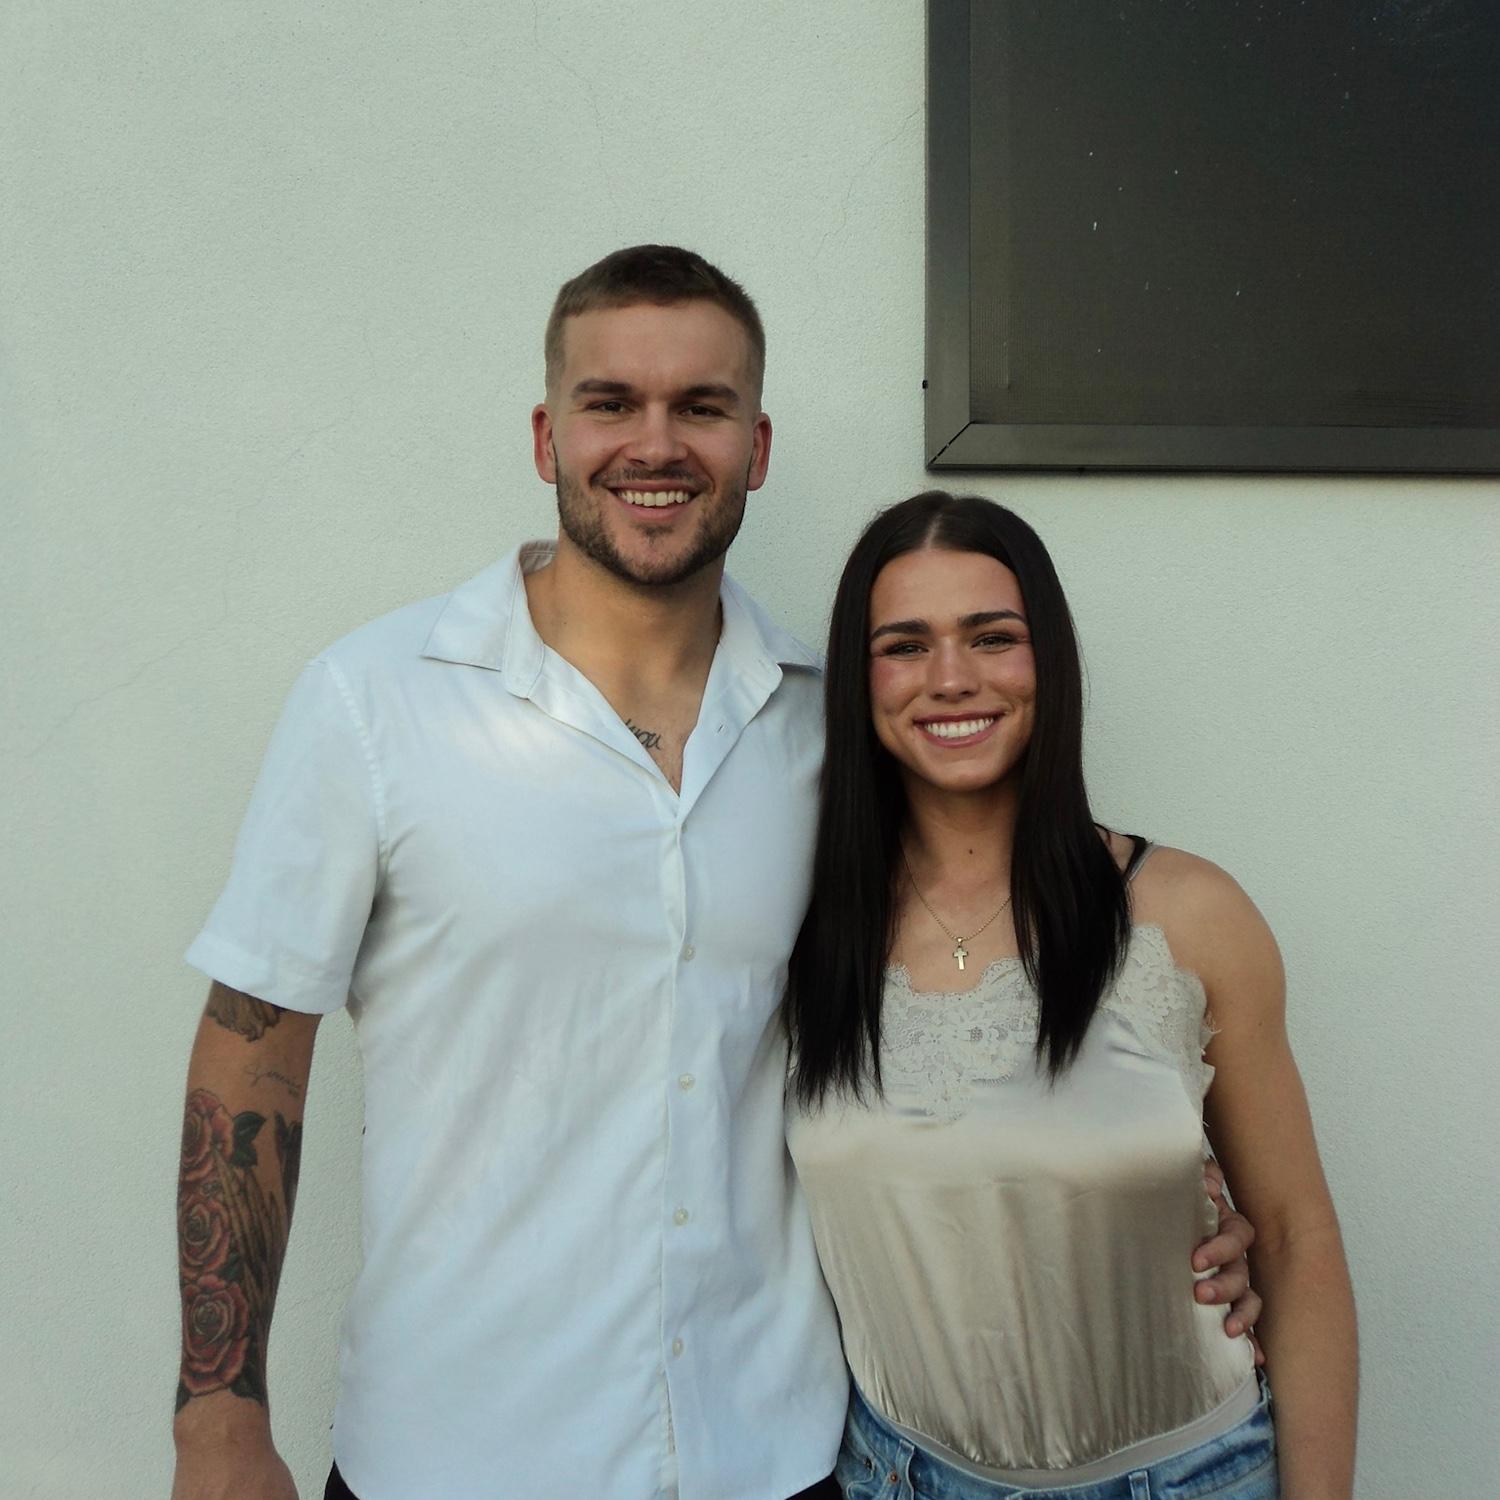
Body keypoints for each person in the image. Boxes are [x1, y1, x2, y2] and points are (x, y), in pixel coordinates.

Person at [171, 250, 1260, 1500]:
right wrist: (217, 1419)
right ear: (547, 436)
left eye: (702, 405)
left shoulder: (833, 733)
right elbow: (253, 1049)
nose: (656, 443)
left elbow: (978, 974)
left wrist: (1162, 1215)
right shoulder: (376, 703)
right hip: (457, 1452)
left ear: (758, 445)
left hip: (771, 1453)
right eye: (610, 402)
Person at [785, 492, 1358, 1500]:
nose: (951, 678)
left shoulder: (1186, 915)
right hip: (894, 1475)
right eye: (905, 646)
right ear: (857, 678)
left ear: (1048, 658)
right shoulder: (798, 927)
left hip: (1187, 1478)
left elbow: (1293, 1234)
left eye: (992, 637)